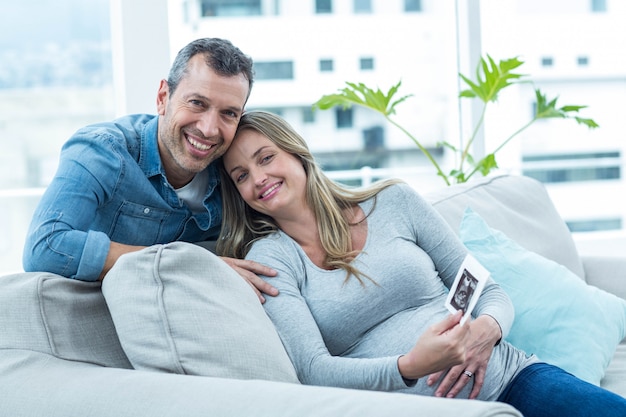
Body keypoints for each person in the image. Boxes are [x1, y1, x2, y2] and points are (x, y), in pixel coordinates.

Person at [217, 110, 626, 416]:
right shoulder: (270, 259)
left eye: (265, 158)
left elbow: (487, 290)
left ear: (296, 153)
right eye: (240, 175)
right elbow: (313, 369)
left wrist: (487, 329)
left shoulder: (393, 203)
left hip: (513, 379)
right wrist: (410, 366)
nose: (257, 178)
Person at [22, 38, 277, 303]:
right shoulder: (102, 149)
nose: (209, 129)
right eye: (197, 103)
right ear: (163, 98)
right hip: (91, 313)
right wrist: (193, 265)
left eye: (228, 113)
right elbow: (44, 247)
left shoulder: (234, 171)